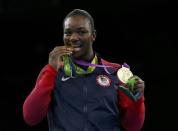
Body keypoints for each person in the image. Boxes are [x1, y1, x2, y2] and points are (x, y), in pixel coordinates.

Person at [23, 9, 145, 131]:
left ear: (93, 35)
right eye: (68, 33)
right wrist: (51, 71)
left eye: (81, 32)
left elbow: (133, 127)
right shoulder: (53, 72)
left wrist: (138, 101)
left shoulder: (114, 72)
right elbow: (31, 117)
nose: (74, 38)